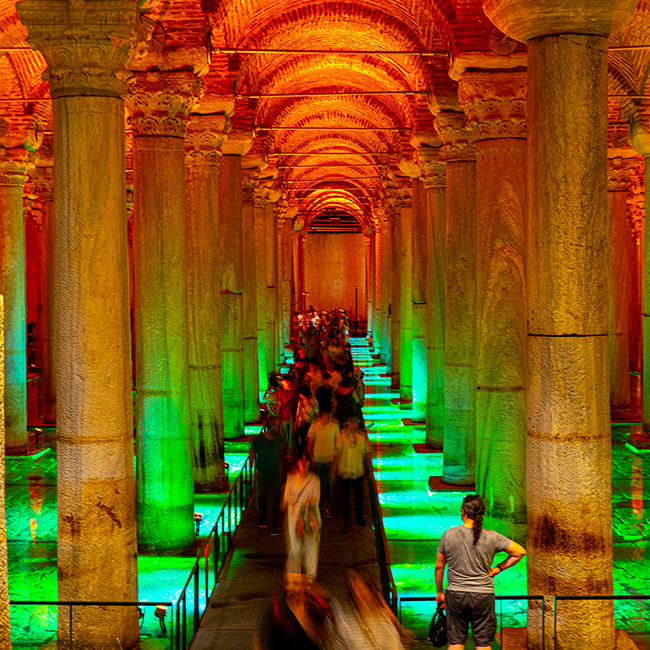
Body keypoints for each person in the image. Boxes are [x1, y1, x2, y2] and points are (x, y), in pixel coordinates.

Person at [435, 495, 527, 650]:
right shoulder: (492, 536)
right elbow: (520, 552)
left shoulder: (448, 535)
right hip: (483, 595)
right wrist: (498, 568)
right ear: (481, 514)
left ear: (462, 512)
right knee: (483, 643)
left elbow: (439, 567)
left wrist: (439, 591)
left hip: (456, 594)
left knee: (456, 642)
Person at [255, 572, 333, 650]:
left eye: (295, 583)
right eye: (286, 583)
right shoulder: (276, 611)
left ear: (304, 584)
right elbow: (262, 642)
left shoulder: (314, 606)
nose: (289, 587)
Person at [282, 454, 322, 583]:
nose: (304, 463)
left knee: (311, 548)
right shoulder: (291, 479)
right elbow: (287, 498)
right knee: (295, 549)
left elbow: (314, 500)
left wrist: (306, 517)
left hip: (310, 519)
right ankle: (295, 578)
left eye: (306, 460)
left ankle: (310, 577)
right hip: (293, 518)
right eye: (301, 460)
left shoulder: (314, 480)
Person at [333, 415, 371, 534]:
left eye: (354, 421)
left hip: (358, 472)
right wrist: (335, 468)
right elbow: (337, 454)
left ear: (358, 423)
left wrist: (368, 470)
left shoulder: (362, 438)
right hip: (344, 472)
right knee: (345, 499)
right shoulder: (341, 437)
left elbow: (366, 454)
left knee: (360, 497)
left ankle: (359, 517)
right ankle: (347, 522)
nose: (352, 424)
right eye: (350, 421)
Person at [249, 416, 286, 536]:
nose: (277, 427)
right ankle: (263, 518)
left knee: (276, 496)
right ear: (268, 426)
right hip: (262, 472)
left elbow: (282, 451)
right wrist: (253, 471)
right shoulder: (258, 440)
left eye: (277, 425)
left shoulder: (279, 438)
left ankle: (275, 521)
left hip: (275, 471)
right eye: (275, 425)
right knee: (261, 497)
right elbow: (252, 455)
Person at [306, 402, 339, 519]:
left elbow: (337, 444)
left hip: (329, 459)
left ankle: (326, 503)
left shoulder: (334, 427)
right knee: (319, 483)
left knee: (328, 483)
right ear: (321, 415)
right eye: (326, 416)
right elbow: (310, 444)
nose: (328, 419)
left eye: (330, 417)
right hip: (318, 459)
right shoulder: (314, 427)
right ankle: (319, 504)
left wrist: (335, 461)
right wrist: (311, 458)